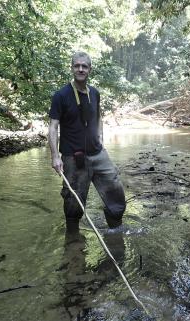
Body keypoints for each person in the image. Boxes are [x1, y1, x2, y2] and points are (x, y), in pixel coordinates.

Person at [48, 51, 126, 232]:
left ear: (90, 69)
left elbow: (98, 117)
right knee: (73, 205)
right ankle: (73, 241)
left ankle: (116, 233)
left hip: (98, 155)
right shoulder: (61, 95)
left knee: (116, 195)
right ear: (72, 68)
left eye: (84, 66)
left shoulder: (95, 93)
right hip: (74, 159)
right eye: (77, 65)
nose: (80, 69)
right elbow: (53, 127)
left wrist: (101, 139)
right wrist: (55, 157)